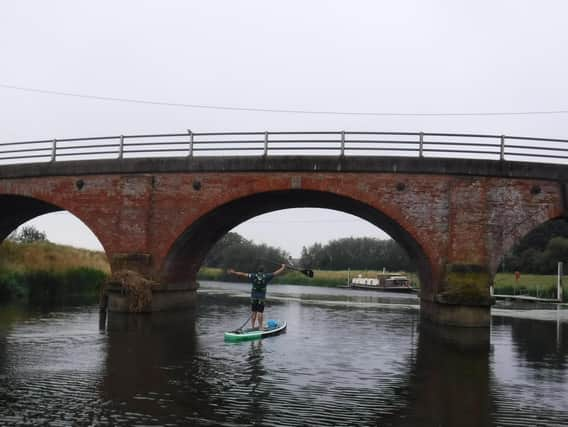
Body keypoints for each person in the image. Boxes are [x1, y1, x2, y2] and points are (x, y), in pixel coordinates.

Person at [228, 264, 286, 330]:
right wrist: (283, 267)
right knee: (260, 312)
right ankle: (260, 327)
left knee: (254, 312)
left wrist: (234, 272)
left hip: (254, 297)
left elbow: (243, 274)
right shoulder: (267, 276)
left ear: (258, 271)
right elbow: (276, 273)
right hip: (261, 298)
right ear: (263, 271)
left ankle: (252, 326)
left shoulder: (253, 275)